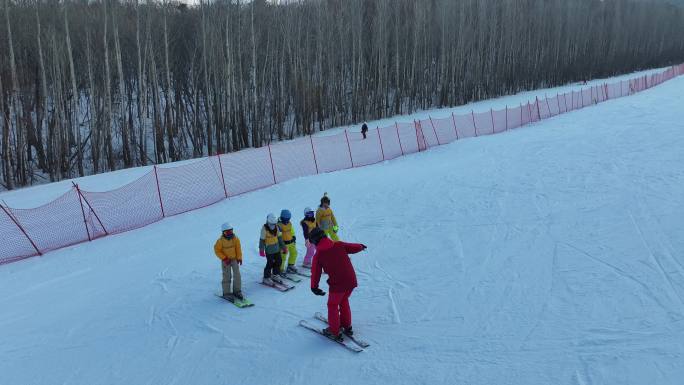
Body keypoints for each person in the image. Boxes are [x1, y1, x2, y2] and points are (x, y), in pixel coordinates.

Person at [309, 227, 367, 340]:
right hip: (351, 280)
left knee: (333, 305)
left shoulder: (319, 255)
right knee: (344, 300)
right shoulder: (338, 244)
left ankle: (334, 331)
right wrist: (360, 246)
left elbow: (316, 273)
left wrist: (314, 287)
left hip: (338, 285)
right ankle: (347, 326)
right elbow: (352, 247)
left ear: (315, 241)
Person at [213, 223, 244, 300]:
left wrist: (239, 258)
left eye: (231, 231)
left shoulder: (235, 238)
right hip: (226, 261)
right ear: (223, 232)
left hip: (234, 259)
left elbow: (238, 249)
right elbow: (217, 250)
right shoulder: (220, 241)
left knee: (237, 275)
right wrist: (224, 258)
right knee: (227, 276)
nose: (230, 233)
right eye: (227, 232)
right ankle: (226, 293)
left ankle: (237, 291)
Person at [259, 213, 287, 285]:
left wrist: (284, 247)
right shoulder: (264, 228)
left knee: (279, 261)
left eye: (274, 224)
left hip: (277, 249)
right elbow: (262, 240)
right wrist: (261, 250)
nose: (273, 226)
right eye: (271, 224)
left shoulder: (276, 228)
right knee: (270, 263)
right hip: (269, 250)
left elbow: (280, 238)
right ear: (268, 222)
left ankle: (275, 275)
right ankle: (266, 277)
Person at [278, 209, 299, 274]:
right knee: (283, 257)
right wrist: (281, 244)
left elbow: (291, 231)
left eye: (288, 219)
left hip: (291, 242)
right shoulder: (279, 225)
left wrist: (293, 237)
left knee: (294, 253)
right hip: (284, 244)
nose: (288, 220)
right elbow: (278, 236)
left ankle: (290, 265)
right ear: (282, 218)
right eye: (286, 219)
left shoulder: (289, 223)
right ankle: (280, 269)